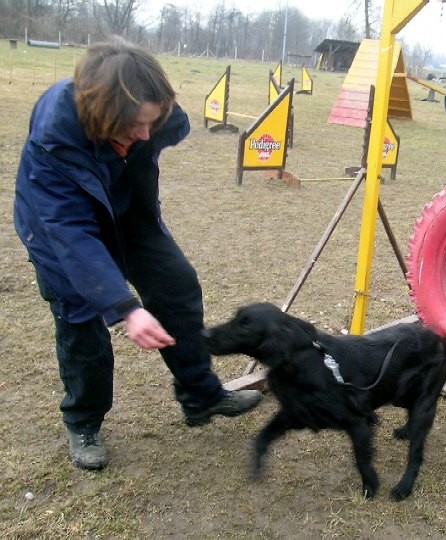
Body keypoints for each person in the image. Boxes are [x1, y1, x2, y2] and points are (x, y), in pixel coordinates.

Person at [14, 40, 261, 471]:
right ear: (103, 114)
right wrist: (127, 309)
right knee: (81, 326)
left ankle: (200, 394)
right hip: (60, 232)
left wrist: (145, 136)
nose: (147, 134)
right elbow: (70, 233)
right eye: (135, 126)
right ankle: (84, 420)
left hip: (128, 215)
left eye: (154, 121)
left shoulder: (149, 116)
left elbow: (160, 127)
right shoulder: (55, 140)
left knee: (176, 286)